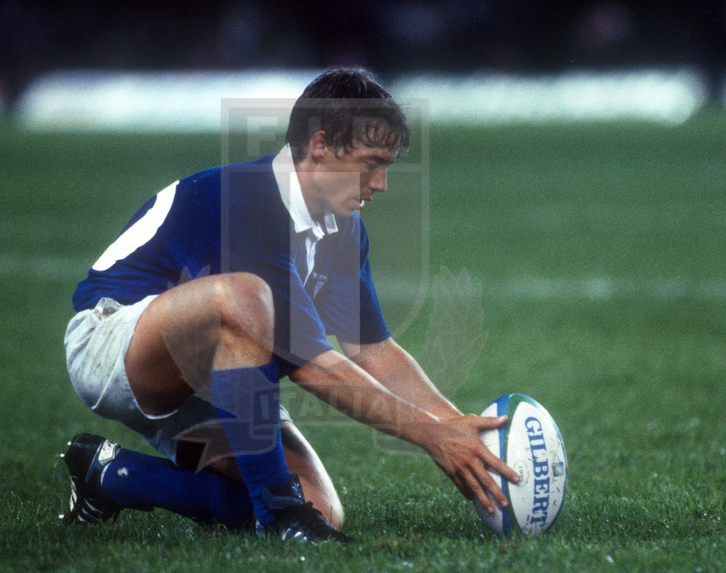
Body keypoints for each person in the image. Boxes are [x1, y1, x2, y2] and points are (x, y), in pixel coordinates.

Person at [61, 66, 519, 542]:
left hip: (215, 372)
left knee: (321, 508)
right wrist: (429, 436)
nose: (380, 183)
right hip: (113, 340)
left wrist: (453, 424)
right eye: (371, 163)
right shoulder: (250, 200)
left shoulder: (343, 228)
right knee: (244, 295)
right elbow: (311, 365)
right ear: (319, 144)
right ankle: (280, 516)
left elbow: (373, 350)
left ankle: (110, 475)